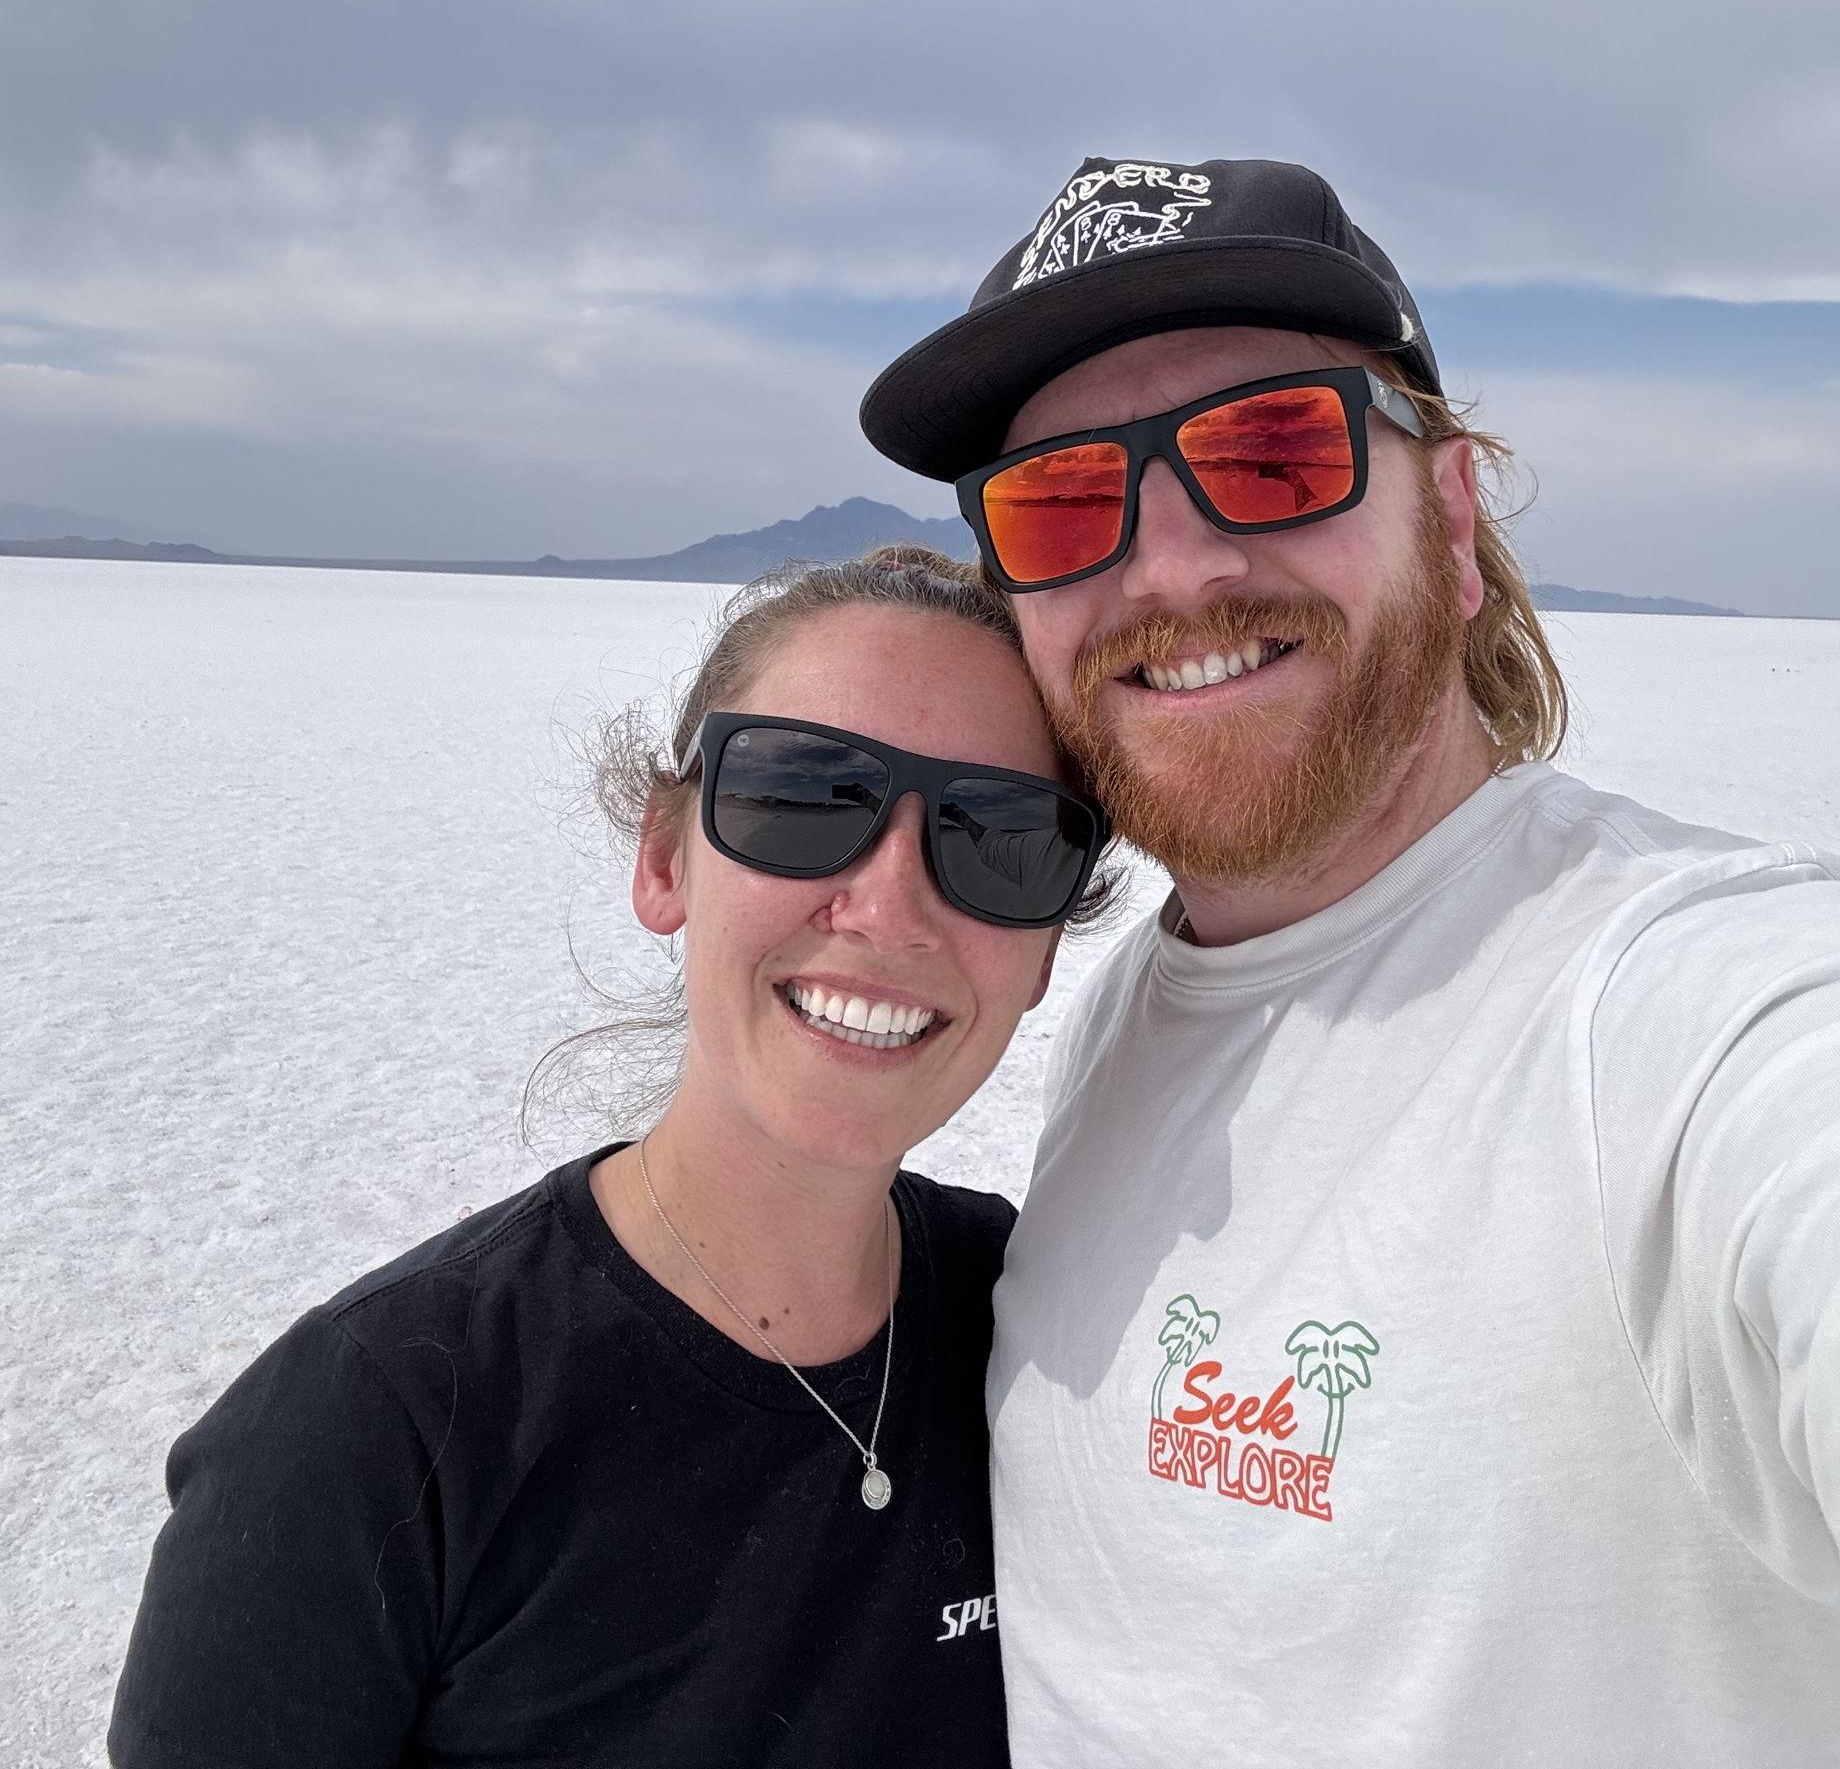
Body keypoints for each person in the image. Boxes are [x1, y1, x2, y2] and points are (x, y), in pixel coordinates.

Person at [859, 157, 1840, 1769]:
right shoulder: (1138, 1003)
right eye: (1063, 503)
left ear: (1457, 515)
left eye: (1274, 454)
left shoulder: (1684, 1003)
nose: (1173, 568)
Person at [109, 546, 1112, 1769]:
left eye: (1000, 834)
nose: (890, 902)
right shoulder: (372, 1435)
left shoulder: (1056, 1334)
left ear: (1046, 949)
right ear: (661, 858)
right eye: (800, 796)